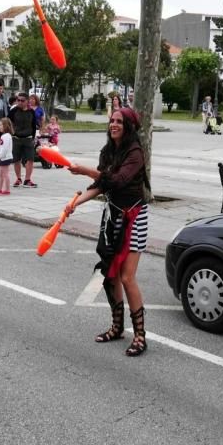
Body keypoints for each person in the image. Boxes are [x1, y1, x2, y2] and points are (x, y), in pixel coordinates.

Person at [66, 107, 151, 356]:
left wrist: (85, 169)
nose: (113, 125)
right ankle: (117, 328)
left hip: (134, 216)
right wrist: (75, 204)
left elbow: (116, 181)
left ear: (128, 127)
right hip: (113, 215)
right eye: (111, 121)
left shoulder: (135, 152)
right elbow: (100, 185)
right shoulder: (109, 151)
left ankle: (140, 336)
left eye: (119, 122)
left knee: (126, 276)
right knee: (110, 274)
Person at [8, 92, 39, 187]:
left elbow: (34, 126)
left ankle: (27, 179)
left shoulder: (31, 112)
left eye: (22, 100)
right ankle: (18, 179)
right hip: (16, 138)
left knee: (30, 159)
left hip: (28, 138)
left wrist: (33, 138)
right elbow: (7, 122)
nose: (20, 102)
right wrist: (2, 136)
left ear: (27, 101)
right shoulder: (14, 111)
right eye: (18, 100)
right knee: (16, 160)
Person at [0, 118, 14, 195]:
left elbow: (4, 148)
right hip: (3, 157)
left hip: (5, 158)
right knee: (0, 174)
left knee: (5, 174)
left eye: (1, 125)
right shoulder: (4, 136)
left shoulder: (6, 136)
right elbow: (1, 146)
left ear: (5, 126)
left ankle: (7, 190)